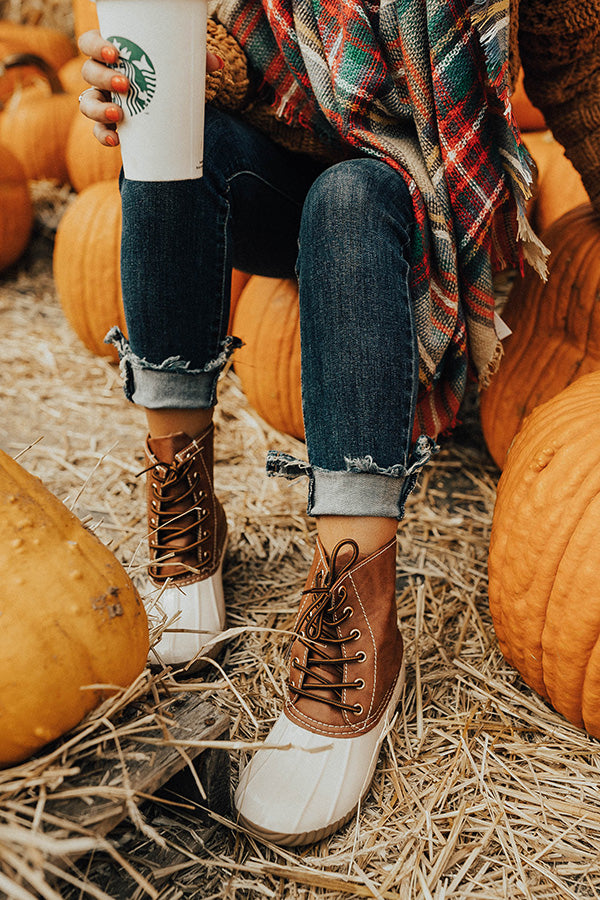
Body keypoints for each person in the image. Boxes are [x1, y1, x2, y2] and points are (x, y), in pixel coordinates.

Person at [77, 0, 599, 847]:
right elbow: (203, 29)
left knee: (352, 194)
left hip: (418, 198)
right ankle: (184, 512)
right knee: (162, 122)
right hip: (273, 174)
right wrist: (140, 76)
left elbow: (579, 70)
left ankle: (356, 609)